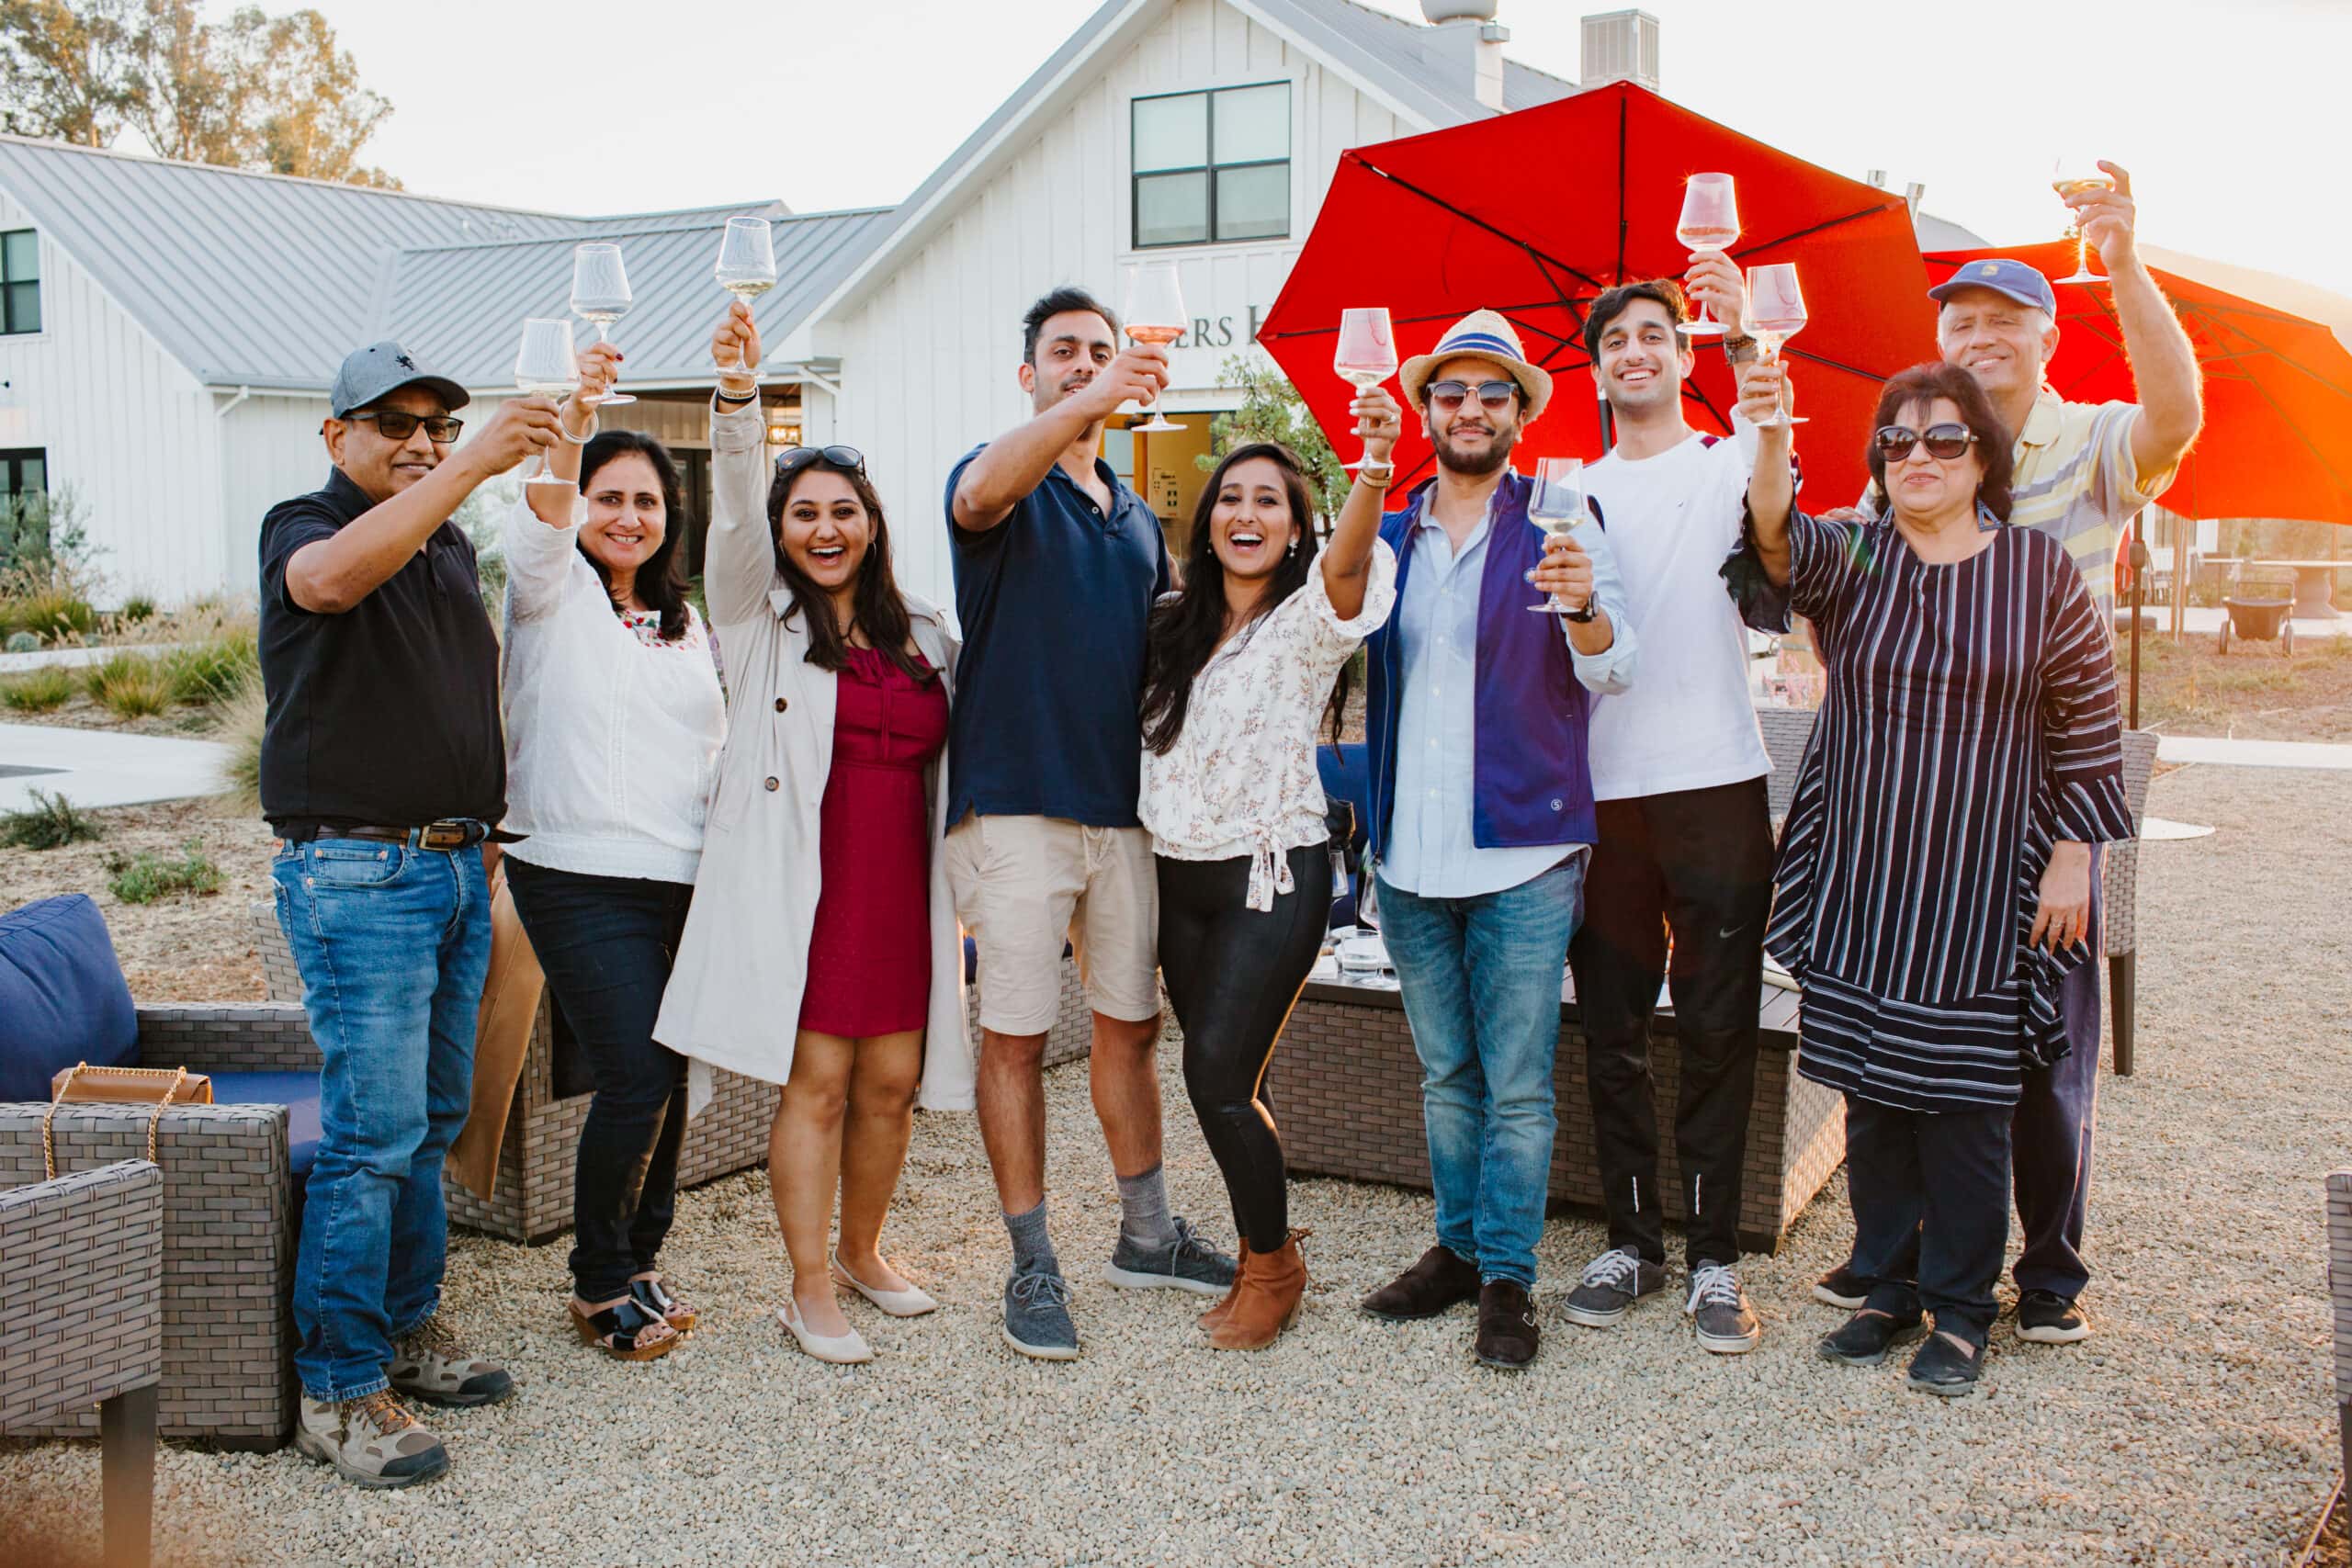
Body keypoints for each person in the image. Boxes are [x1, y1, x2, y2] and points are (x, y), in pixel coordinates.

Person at [1813, 172, 2201, 1342]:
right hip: (1926, 783)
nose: (1979, 338)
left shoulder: (2087, 440)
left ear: (2045, 336)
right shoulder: (1914, 447)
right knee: (1916, 1020)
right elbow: (1839, 583)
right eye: (1961, 323)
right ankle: (1916, 1262)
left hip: (2052, 784)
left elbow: (2177, 413)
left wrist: (2124, 263)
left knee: (2041, 1045)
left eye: (2002, 322)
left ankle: (2049, 1276)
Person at [1740, 358, 2134, 1395]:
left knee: (1963, 1099)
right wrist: (1773, 430)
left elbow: (2087, 720)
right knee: (1872, 1089)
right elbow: (1773, 541)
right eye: (1896, 440)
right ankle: (1886, 1286)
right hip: (1865, 868)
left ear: (1982, 457)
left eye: (1943, 439)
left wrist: (2072, 855)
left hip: (1980, 875)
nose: (1916, 456)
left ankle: (1960, 1311)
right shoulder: (1856, 557)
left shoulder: (2037, 572)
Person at [261, 340, 556, 1486]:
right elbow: (328, 584)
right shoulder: (307, 522)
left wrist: (476, 831)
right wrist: (476, 465)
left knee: (431, 1123)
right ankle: (336, 1391)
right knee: (372, 1138)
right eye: (396, 423)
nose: (422, 440)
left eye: (439, 424)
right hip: (356, 878)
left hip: (446, 872)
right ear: (338, 436)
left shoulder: (438, 543)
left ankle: (402, 1330)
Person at [654, 302, 972, 1365]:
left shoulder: (928, 633)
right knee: (820, 1086)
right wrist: (741, 402)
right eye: (806, 515)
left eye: (844, 511)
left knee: (890, 1087)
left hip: (902, 890)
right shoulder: (755, 623)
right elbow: (735, 518)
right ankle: (802, 1289)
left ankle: (864, 1253)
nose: (824, 530)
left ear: (873, 523)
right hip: (807, 891)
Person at [944, 286, 1238, 1361]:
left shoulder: (1132, 516)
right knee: (1016, 1037)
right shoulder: (1004, 477)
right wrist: (1086, 404)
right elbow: (980, 494)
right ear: (1031, 374)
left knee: (1130, 1028)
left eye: (1099, 352)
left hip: (1125, 819)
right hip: (1014, 806)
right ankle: (1030, 1263)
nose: (1082, 364)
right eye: (1062, 353)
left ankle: (1146, 1235)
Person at [1353, 310, 1637, 1371]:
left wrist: (1582, 611)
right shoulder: (1386, 529)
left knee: (1516, 1083)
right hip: (1410, 856)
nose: (1469, 411)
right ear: (1425, 410)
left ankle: (1508, 1276)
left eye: (1491, 394)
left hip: (1523, 852)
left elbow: (1615, 667)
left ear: (1520, 413)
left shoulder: (1564, 518)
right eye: (1451, 393)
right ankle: (1458, 1250)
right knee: (1445, 1077)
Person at [1138, 423, 1398, 1350]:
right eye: (1232, 499)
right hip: (1175, 879)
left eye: (1269, 502)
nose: (1246, 515)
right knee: (1234, 1076)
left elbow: (1353, 556)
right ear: (1208, 519)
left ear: (1296, 529)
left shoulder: (1308, 617)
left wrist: (1369, 470)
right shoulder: (1170, 621)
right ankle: (1269, 1238)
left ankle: (1271, 1265)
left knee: (1210, 1073)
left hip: (1271, 877)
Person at [1561, 267, 1774, 1355]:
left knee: (1718, 1025)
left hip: (1716, 780)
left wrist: (1744, 333)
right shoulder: (1569, 488)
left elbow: (1779, 511)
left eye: (1655, 336)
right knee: (1609, 1029)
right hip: (1601, 796)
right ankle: (1630, 1238)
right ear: (1595, 365)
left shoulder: (1732, 458)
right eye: (1616, 340)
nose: (1635, 352)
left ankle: (1715, 1257)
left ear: (1683, 358)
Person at [500, 340, 725, 1362]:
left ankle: (642, 1256)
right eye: (610, 496)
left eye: (648, 500)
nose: (628, 515)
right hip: (577, 867)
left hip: (682, 874)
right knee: (635, 1070)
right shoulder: (549, 594)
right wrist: (578, 413)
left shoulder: (685, 623)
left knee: (672, 1072)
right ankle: (596, 1278)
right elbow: (544, 508)